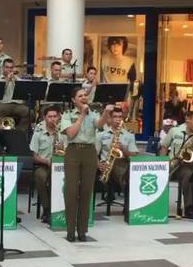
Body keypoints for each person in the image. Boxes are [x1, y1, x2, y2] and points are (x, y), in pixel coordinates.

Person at [60, 88, 113, 242]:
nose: (84, 98)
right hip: (73, 152)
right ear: (73, 100)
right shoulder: (67, 115)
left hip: (90, 152)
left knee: (86, 191)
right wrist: (82, 115)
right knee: (71, 191)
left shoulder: (94, 114)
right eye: (80, 96)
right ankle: (70, 230)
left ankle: (82, 230)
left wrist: (105, 113)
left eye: (85, 95)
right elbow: (70, 133)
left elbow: (100, 124)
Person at [159, 110, 193, 219]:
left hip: (189, 166)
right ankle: (157, 205)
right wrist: (162, 164)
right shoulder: (174, 131)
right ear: (188, 119)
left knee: (187, 176)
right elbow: (164, 147)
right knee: (158, 176)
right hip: (172, 163)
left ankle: (189, 206)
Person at [30, 106, 67, 224]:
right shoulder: (38, 133)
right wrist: (47, 162)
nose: (52, 119)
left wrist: (64, 149)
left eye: (54, 116)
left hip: (62, 165)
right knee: (41, 177)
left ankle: (61, 209)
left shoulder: (64, 132)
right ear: (44, 118)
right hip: (44, 165)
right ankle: (47, 209)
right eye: (49, 117)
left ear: (59, 117)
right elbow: (34, 157)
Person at [96, 108, 138, 195]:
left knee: (124, 170)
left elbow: (134, 155)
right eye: (115, 116)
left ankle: (117, 190)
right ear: (110, 119)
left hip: (122, 166)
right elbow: (93, 154)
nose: (118, 119)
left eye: (120, 117)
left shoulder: (129, 135)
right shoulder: (100, 135)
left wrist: (124, 149)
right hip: (104, 166)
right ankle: (111, 187)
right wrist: (98, 164)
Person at [0, 59, 29, 132]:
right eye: (7, 67)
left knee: (30, 112)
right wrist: (7, 80)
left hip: (17, 105)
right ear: (3, 68)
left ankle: (19, 133)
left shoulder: (17, 79)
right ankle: (4, 133)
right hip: (3, 104)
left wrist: (16, 80)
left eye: (11, 68)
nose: (9, 69)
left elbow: (25, 92)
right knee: (0, 111)